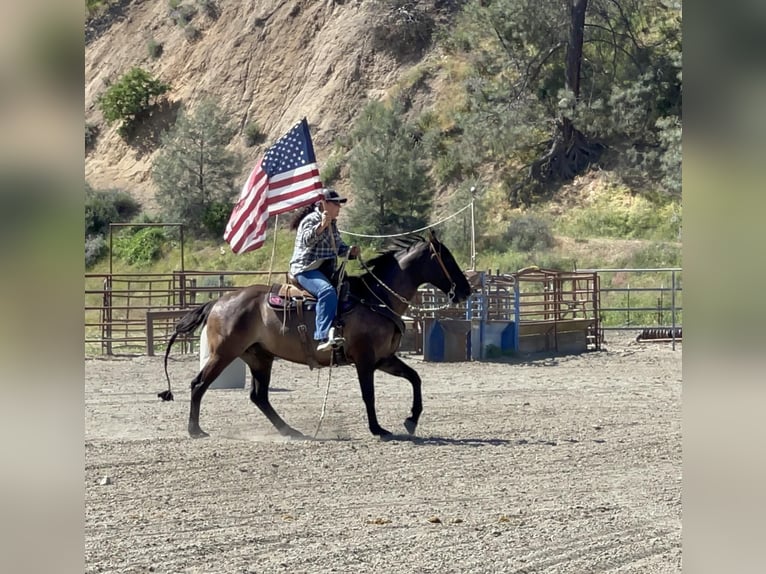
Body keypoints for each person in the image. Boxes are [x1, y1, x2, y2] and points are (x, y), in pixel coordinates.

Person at [289, 188, 360, 351]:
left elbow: (339, 247)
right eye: (336, 204)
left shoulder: (333, 224)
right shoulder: (311, 219)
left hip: (324, 269)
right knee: (327, 291)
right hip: (305, 268)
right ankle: (322, 336)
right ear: (324, 203)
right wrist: (321, 226)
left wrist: (350, 251)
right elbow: (307, 240)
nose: (339, 207)